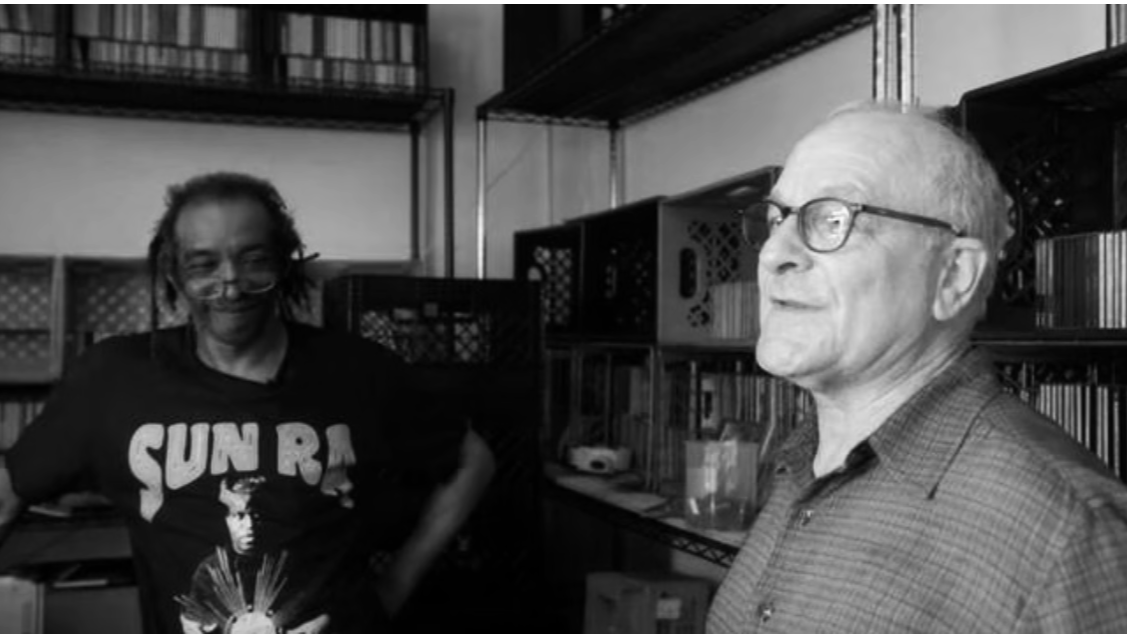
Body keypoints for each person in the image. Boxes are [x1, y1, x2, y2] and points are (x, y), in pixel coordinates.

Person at [0, 172, 495, 634]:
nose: (231, 283)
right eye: (203, 264)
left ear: (283, 264)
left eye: (254, 259)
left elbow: (473, 460)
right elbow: (10, 488)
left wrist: (396, 585)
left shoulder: (358, 370)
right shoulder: (111, 377)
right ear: (173, 274)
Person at [707, 102, 1127, 633]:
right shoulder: (801, 463)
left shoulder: (1068, 535)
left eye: (833, 219)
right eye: (776, 219)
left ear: (953, 276)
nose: (772, 256)